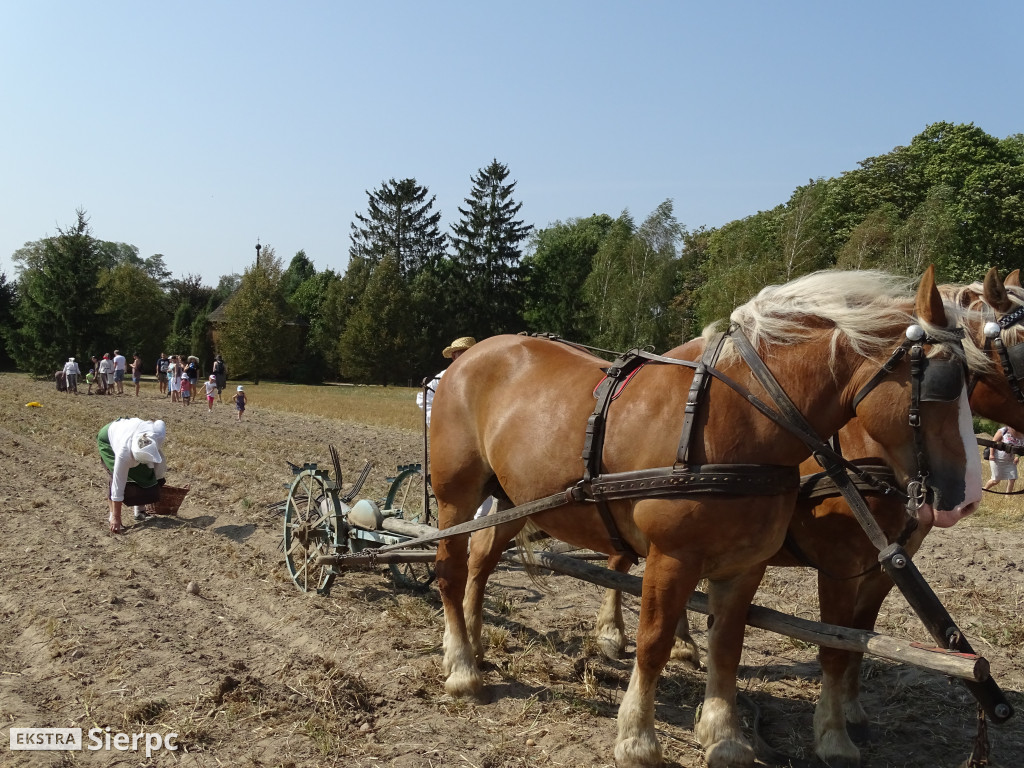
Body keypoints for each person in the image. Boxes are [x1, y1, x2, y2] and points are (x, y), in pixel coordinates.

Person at [416, 336, 493, 519]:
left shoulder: (484, 376)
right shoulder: (442, 378)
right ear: (453, 356)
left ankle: (480, 525)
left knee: (487, 483)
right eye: (460, 353)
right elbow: (423, 399)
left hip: (479, 435)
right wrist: (437, 424)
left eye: (468, 353)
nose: (464, 356)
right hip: (454, 437)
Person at [97, 417, 167, 533]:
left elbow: (160, 423)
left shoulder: (157, 435)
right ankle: (112, 517)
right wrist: (116, 517)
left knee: (144, 473)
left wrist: (158, 481)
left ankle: (140, 512)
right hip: (108, 437)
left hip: (133, 428)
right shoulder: (123, 454)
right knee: (114, 474)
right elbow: (118, 485)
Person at [417, 336, 477, 427]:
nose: (468, 357)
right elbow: (423, 398)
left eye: (471, 353)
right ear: (454, 356)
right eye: (463, 353)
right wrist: (436, 421)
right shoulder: (444, 376)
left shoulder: (482, 375)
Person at [984, 425, 1023, 493]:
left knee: (1012, 478)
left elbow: (1022, 449)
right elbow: (993, 443)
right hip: (997, 458)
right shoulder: (1004, 430)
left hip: (1010, 461)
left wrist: (1017, 457)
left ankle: (1008, 496)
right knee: (995, 481)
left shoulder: (1022, 436)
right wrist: (991, 454)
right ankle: (984, 490)